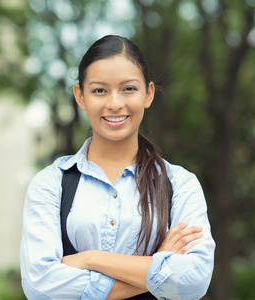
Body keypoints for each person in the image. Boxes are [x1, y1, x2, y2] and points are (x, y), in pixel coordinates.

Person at [20, 35, 215, 300]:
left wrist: (91, 259)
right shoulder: (50, 183)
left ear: (148, 94)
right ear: (80, 96)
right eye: (99, 90)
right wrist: (158, 265)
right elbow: (40, 285)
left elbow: (194, 279)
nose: (114, 103)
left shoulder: (180, 184)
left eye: (128, 89)